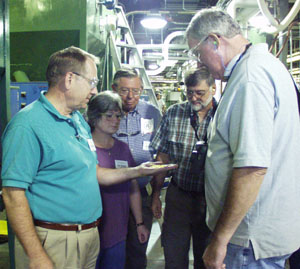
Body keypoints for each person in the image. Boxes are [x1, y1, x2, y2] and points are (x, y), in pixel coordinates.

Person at [1, 46, 176, 269]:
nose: (94, 91)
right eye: (92, 82)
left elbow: (92, 172)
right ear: (69, 79)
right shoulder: (27, 125)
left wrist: (139, 171)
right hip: (54, 240)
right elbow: (13, 195)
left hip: (87, 237)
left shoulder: (77, 121)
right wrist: (35, 254)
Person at [186, 7, 300, 269]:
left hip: (248, 240)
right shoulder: (263, 67)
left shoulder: (250, 78)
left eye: (197, 53)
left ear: (214, 41)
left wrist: (220, 240)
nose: (198, 63)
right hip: (257, 232)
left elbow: (251, 168)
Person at [151, 68, 217, 269]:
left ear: (213, 89)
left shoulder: (224, 115)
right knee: (173, 254)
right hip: (179, 197)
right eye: (189, 93)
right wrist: (155, 195)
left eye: (200, 93)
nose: (194, 98)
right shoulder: (174, 113)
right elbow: (162, 158)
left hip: (211, 200)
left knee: (206, 255)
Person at [86, 91, 149, 269]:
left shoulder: (123, 149)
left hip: (117, 232)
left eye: (118, 115)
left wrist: (139, 223)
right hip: (90, 233)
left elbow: (133, 187)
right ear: (94, 117)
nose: (115, 120)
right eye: (109, 115)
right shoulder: (84, 148)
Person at [111, 67, 162, 269]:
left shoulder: (152, 113)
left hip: (141, 193)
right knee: (112, 246)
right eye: (124, 90)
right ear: (114, 89)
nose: (130, 96)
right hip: (111, 193)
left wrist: (156, 194)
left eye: (136, 90)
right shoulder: (104, 112)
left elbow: (160, 155)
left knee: (138, 247)